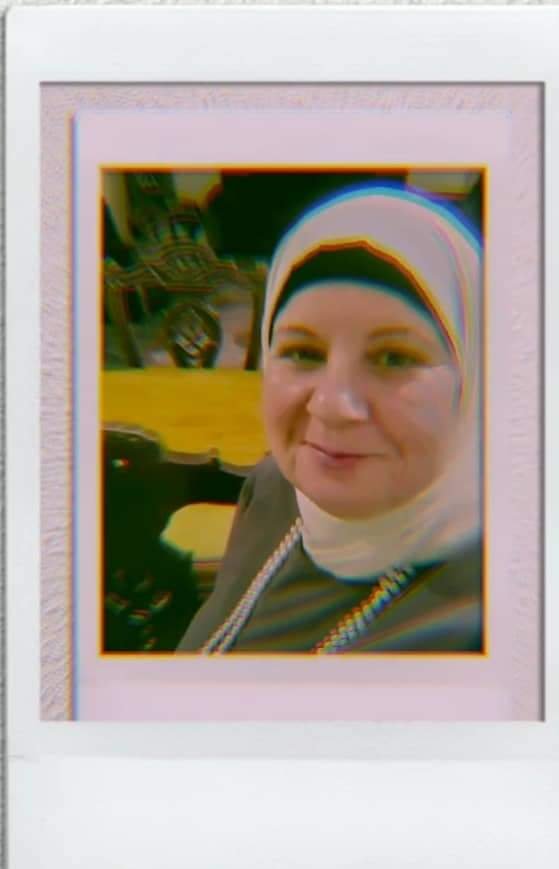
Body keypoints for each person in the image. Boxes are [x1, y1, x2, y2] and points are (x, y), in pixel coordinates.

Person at [177, 185, 483, 654]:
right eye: (303, 352)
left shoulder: (492, 632)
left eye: (394, 358)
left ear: (474, 381)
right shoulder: (277, 489)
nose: (333, 405)